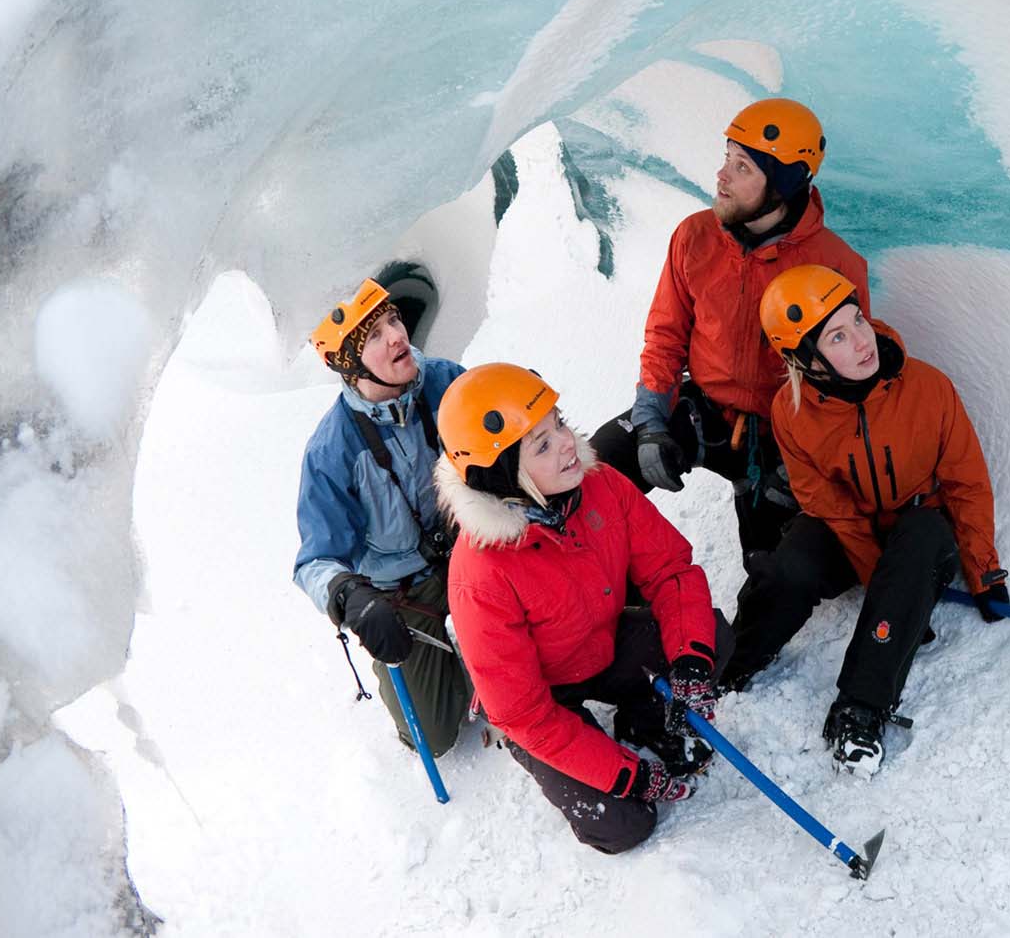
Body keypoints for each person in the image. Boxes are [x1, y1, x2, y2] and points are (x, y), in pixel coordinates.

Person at [725, 265, 1010, 775]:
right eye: (837, 335)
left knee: (925, 535)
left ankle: (862, 708)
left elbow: (967, 484)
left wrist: (983, 570)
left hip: (919, 525)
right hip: (851, 525)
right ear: (804, 360)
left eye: (857, 320)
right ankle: (726, 667)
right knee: (791, 562)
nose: (862, 341)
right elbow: (826, 503)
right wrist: (881, 580)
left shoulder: (928, 388)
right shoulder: (792, 412)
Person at [436, 363, 732, 854]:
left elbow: (671, 571)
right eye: (542, 445)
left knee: (709, 640)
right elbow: (525, 714)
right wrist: (626, 775)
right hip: (542, 701)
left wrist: (691, 664)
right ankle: (592, 756)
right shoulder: (480, 575)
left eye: (559, 423)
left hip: (604, 645)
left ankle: (644, 721)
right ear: (503, 472)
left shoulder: (602, 486)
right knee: (622, 824)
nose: (568, 442)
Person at [592, 98, 870, 565]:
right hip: (703, 410)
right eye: (726, 158)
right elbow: (665, 337)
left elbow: (847, 383)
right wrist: (650, 422)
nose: (721, 176)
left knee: (770, 567)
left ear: (782, 184)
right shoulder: (695, 236)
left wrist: (801, 466)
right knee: (596, 470)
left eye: (742, 167)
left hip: (781, 435)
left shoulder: (835, 265)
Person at [294, 278, 473, 755]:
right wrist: (349, 595)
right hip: (407, 594)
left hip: (474, 551)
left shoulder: (445, 380)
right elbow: (315, 562)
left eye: (393, 320)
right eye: (373, 335)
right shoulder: (332, 451)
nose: (398, 335)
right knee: (433, 737)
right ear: (349, 366)